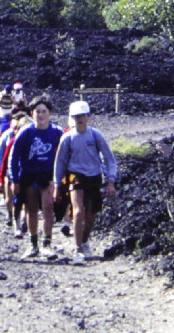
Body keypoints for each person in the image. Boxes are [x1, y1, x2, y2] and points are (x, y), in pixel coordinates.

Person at [53, 100, 118, 263]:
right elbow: (60, 162)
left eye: (82, 116)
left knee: (91, 214)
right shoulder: (67, 138)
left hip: (94, 176)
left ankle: (84, 240)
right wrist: (56, 185)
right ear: (72, 118)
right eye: (76, 116)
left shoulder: (96, 135)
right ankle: (77, 249)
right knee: (78, 210)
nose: (79, 119)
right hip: (75, 175)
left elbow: (109, 158)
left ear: (88, 117)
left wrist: (111, 181)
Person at [10, 96, 65, 258]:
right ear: (31, 113)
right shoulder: (26, 132)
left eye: (44, 111)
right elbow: (14, 156)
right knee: (31, 209)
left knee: (48, 208)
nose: (40, 115)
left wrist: (61, 178)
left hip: (48, 174)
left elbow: (65, 153)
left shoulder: (56, 132)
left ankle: (46, 244)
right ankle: (33, 244)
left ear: (49, 113)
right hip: (29, 175)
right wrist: (14, 179)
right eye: (37, 112)